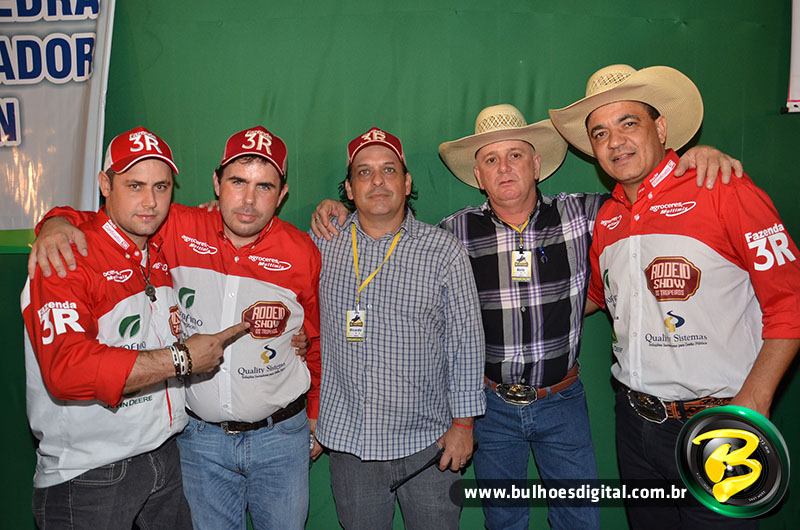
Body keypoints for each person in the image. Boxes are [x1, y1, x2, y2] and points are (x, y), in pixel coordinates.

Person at [312, 107, 742, 530]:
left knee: (580, 517)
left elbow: (641, 193)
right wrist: (336, 209)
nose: (504, 168)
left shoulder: (587, 215)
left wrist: (692, 160)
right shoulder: (453, 234)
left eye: (515, 155)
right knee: (504, 519)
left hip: (562, 400)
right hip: (493, 406)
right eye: (490, 160)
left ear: (536, 165)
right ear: (478, 176)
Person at [30, 125, 322, 530]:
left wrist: (315, 414)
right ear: (217, 183)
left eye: (264, 186)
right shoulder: (176, 226)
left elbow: (316, 338)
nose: (248, 200)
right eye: (238, 182)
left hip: (272, 438)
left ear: (282, 194)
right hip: (196, 443)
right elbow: (108, 219)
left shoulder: (303, 250)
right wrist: (55, 220)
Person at [549, 64, 800, 529]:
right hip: (635, 424)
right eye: (600, 133)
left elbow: (792, 300)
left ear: (660, 128)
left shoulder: (721, 188)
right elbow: (597, 296)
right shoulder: (607, 219)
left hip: (720, 425)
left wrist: (755, 399)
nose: (616, 142)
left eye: (628, 123)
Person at [311, 127, 486, 530]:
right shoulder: (322, 243)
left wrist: (464, 425)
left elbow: (466, 342)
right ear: (349, 190)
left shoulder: (443, 250)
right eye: (364, 172)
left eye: (389, 170)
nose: (377, 181)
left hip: (428, 444)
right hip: (350, 444)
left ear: (407, 183)